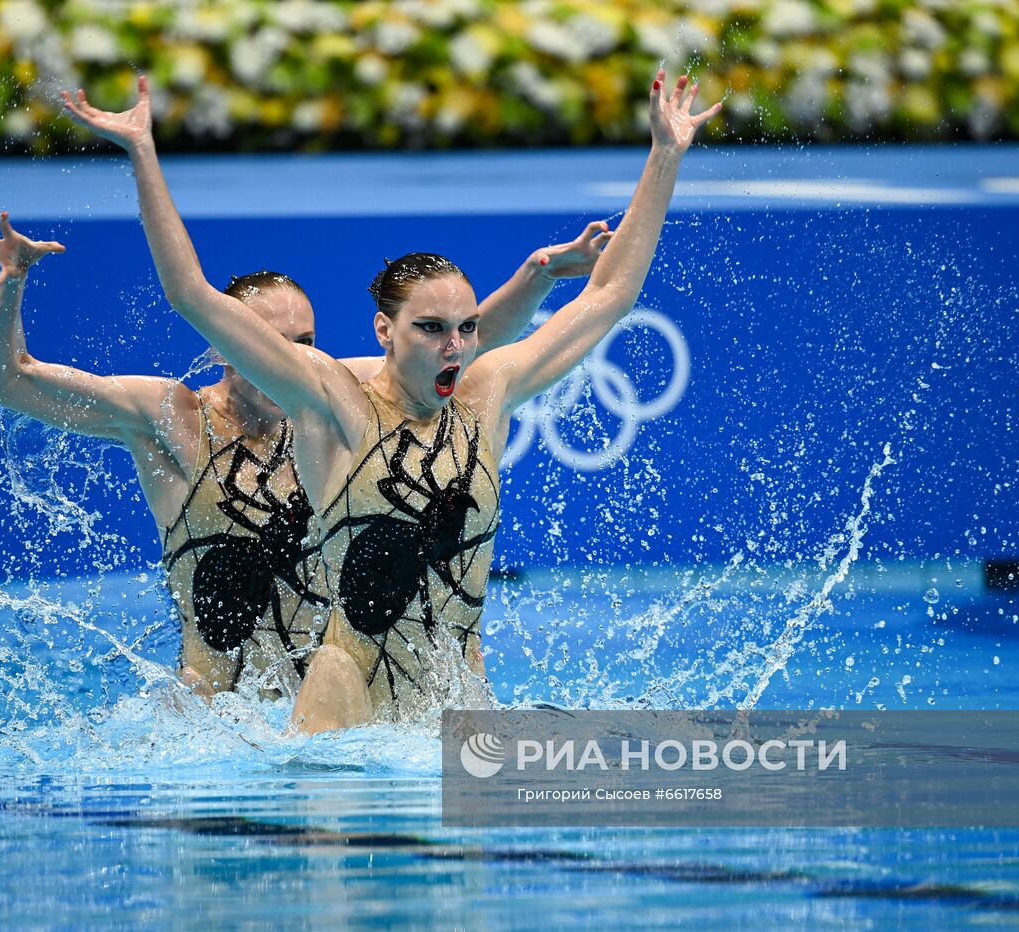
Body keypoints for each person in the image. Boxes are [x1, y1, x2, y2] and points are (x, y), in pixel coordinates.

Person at [64, 68, 720, 733]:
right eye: (431, 330)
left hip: (455, 699)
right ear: (386, 332)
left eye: (466, 329)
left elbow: (608, 297)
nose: (455, 347)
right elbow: (192, 296)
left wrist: (665, 156)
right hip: (346, 703)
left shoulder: (488, 396)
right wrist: (142, 151)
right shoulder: (333, 404)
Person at [0, 211, 612, 700]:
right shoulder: (173, 416)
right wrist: (12, 281)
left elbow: (456, 345)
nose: (290, 356)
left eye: (305, 341)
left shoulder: (326, 409)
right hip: (215, 717)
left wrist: (538, 275)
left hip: (329, 701)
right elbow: (7, 379)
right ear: (233, 345)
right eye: (273, 343)